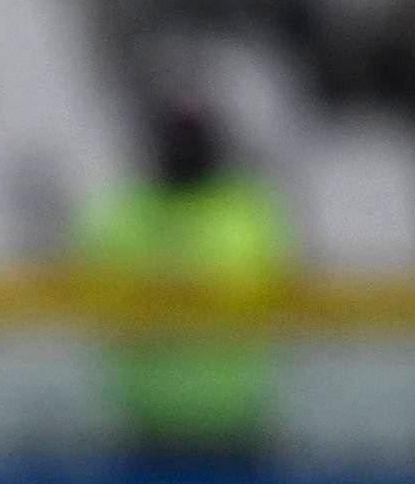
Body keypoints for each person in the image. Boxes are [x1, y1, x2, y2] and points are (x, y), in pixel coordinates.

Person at [74, 99, 294, 464]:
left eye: (189, 144)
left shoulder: (245, 211)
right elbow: (94, 288)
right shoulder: (126, 212)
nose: (181, 153)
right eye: (172, 143)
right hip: (145, 420)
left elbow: (262, 286)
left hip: (233, 420)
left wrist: (166, 284)